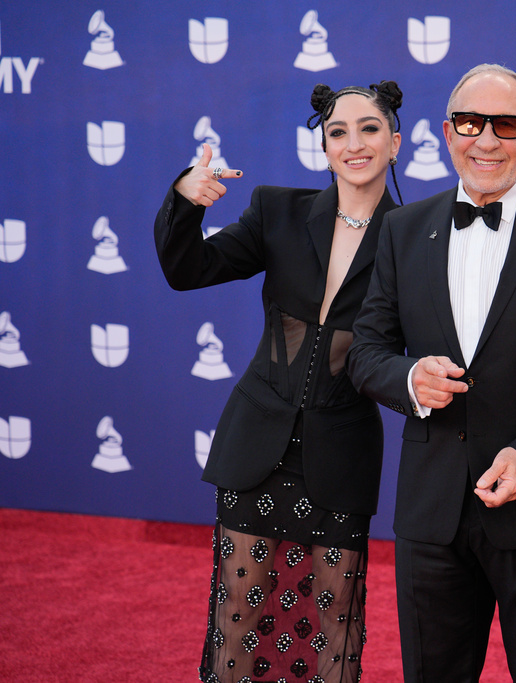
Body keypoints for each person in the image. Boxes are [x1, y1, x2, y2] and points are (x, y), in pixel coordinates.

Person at [347, 64, 516, 682]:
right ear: (446, 132)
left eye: (506, 125)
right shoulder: (402, 229)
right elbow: (367, 353)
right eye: (470, 123)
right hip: (431, 514)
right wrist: (410, 380)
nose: (486, 141)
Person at [154, 80, 404, 683]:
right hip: (256, 442)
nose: (353, 144)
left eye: (369, 129)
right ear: (323, 148)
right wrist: (187, 201)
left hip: (341, 449)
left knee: (334, 621)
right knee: (238, 612)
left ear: (395, 142)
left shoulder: (416, 235)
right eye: (338, 132)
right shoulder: (278, 210)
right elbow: (188, 270)